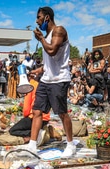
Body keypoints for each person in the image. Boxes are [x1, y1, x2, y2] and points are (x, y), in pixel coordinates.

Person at [29, 6, 75, 158]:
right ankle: (32, 145)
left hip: (59, 79)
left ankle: (70, 144)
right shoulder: (48, 35)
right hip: (46, 79)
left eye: (39, 18)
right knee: (36, 111)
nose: (37, 21)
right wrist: (39, 70)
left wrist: (41, 38)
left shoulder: (59, 30)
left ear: (47, 17)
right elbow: (51, 61)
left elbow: (52, 51)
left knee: (62, 113)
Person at [9, 79, 50, 146]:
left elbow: (26, 108)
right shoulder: (43, 83)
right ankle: (44, 130)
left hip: (34, 117)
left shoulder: (30, 85)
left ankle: (36, 134)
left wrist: (24, 117)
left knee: (12, 130)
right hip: (45, 118)